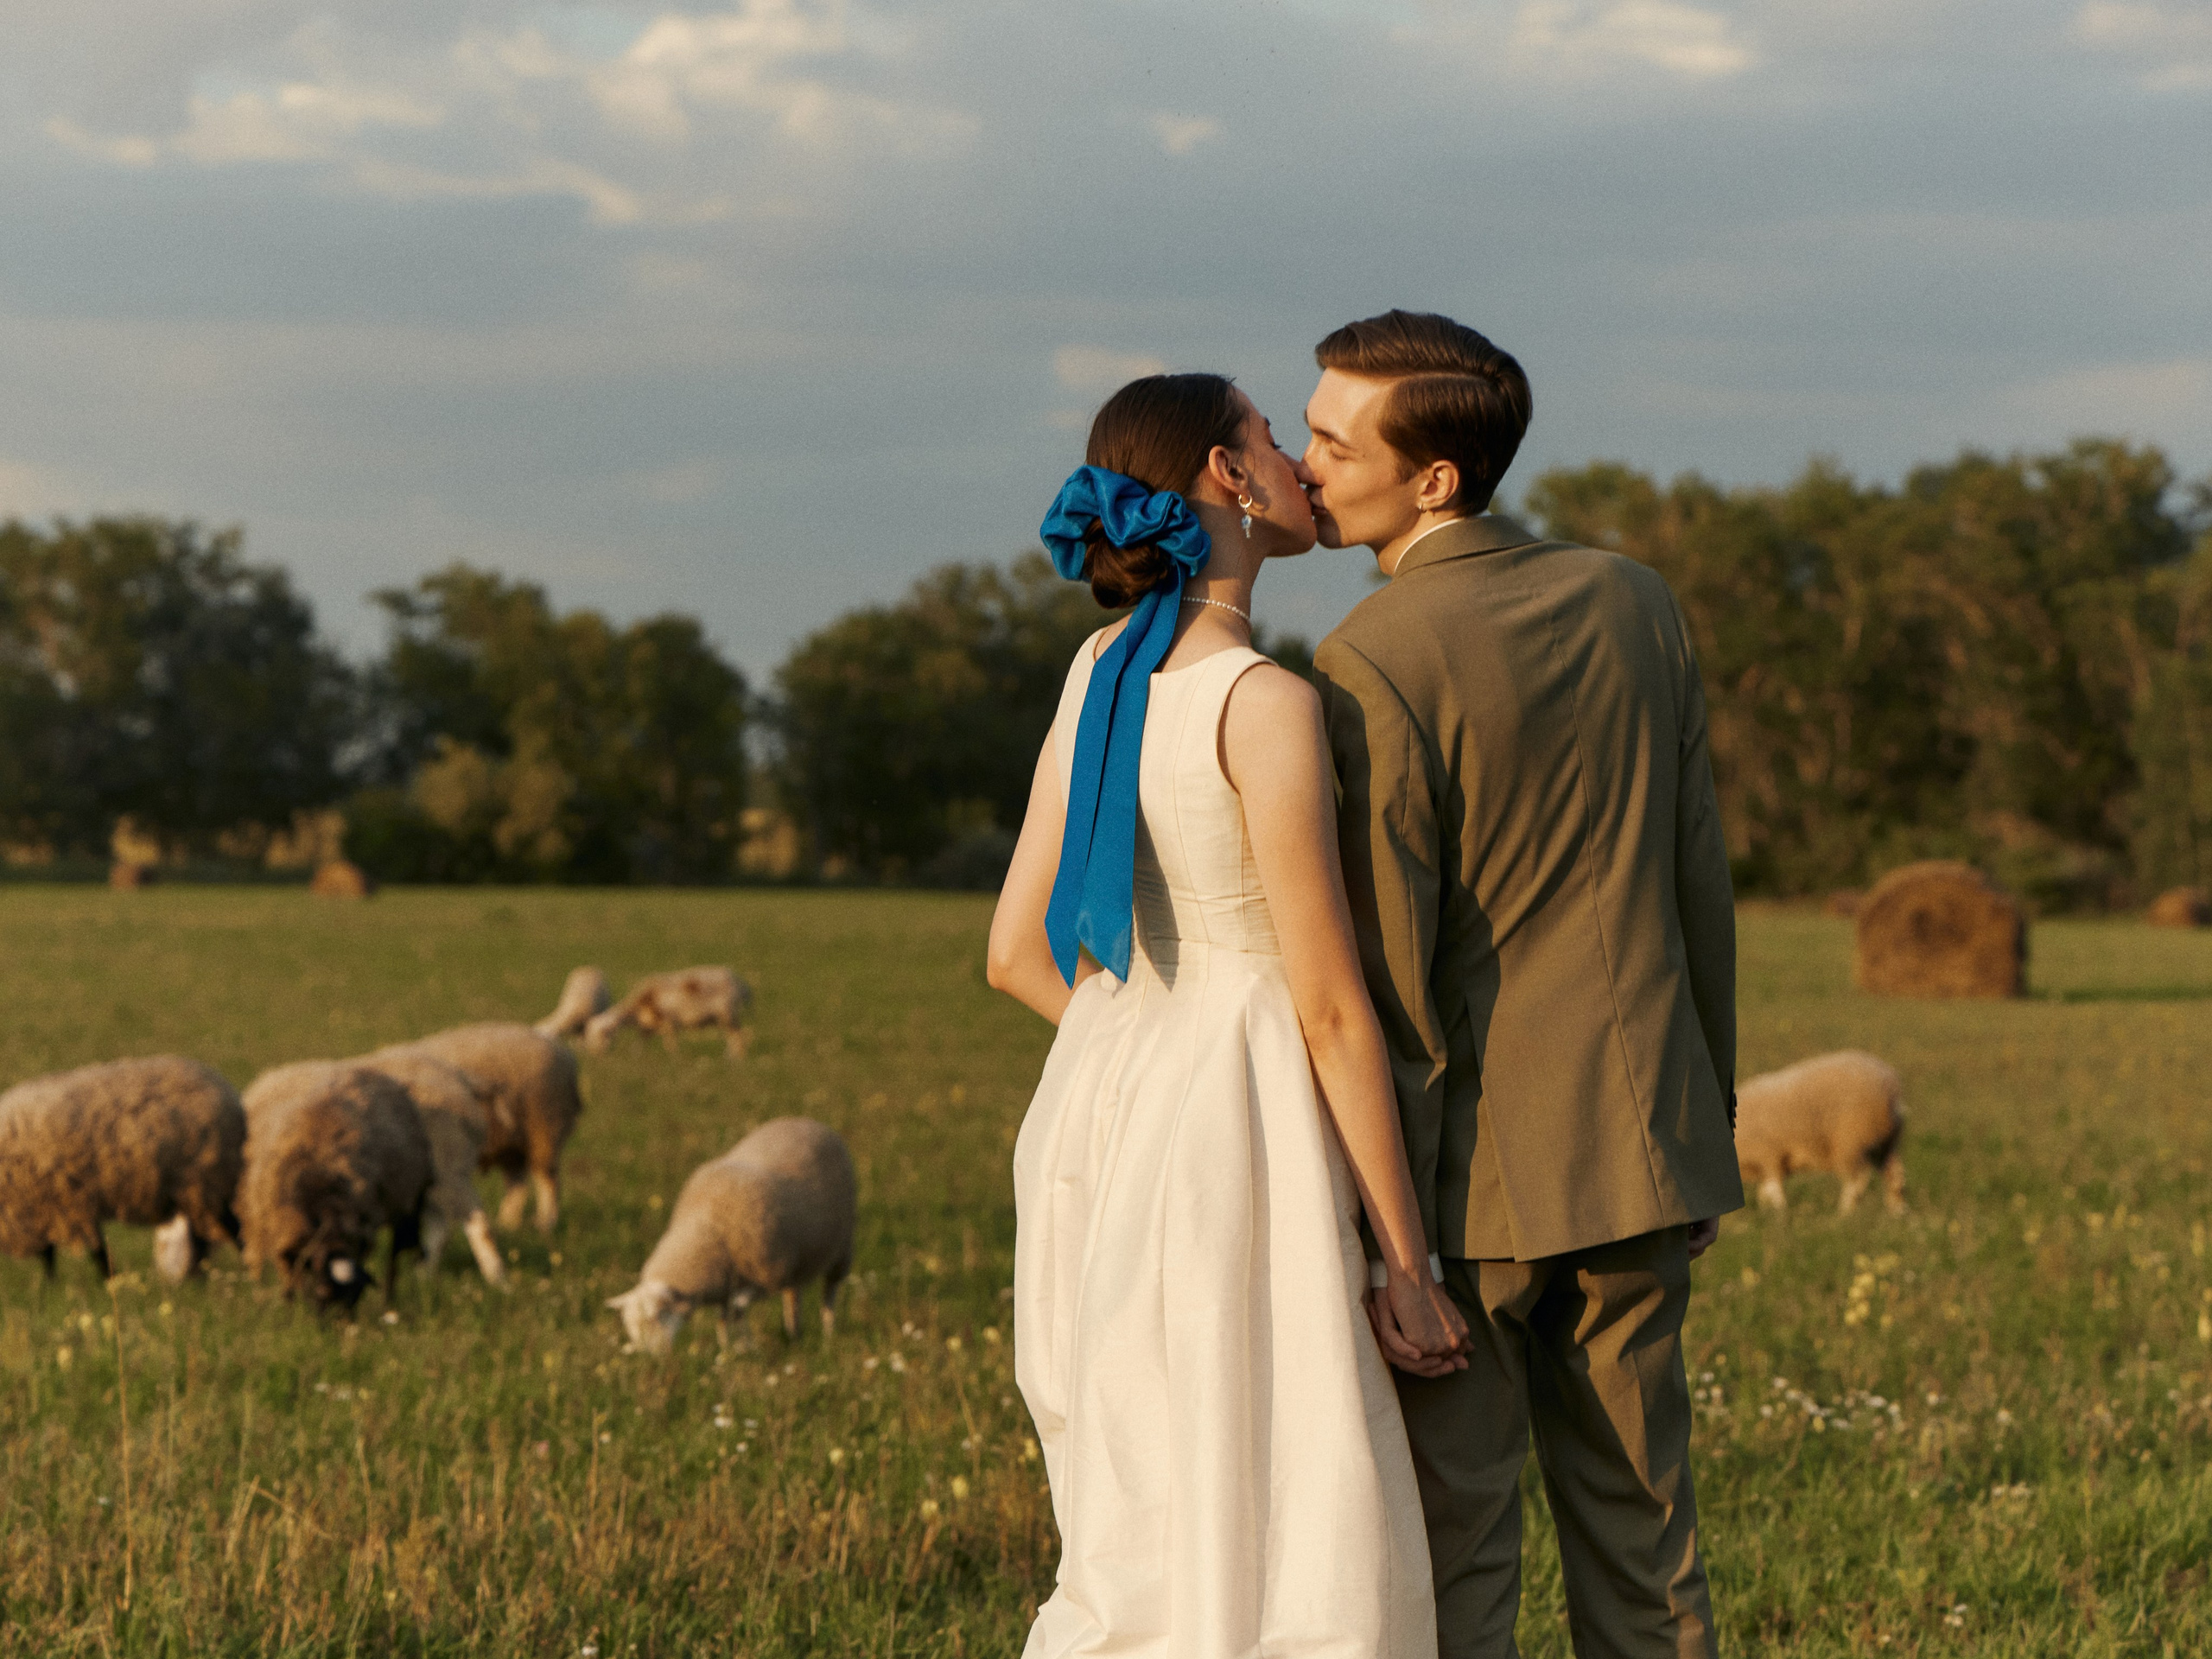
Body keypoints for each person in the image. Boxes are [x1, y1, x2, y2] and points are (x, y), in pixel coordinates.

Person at [988, 371, 1472, 1658]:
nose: (1301, 465)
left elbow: (1013, 952)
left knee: (1143, 1512)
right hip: (1233, 1141)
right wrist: (1408, 1272)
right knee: (1280, 1496)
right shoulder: (1267, 705)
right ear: (1229, 476)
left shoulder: (1098, 670)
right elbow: (1325, 1006)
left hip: (1096, 1127)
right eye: (1276, 438)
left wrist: (1139, 1053)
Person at [1303, 309, 1745, 1659]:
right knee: (1645, 1538)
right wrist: (1702, 1123)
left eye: (1331, 439)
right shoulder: (1638, 601)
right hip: (1644, 1147)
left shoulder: (1371, 658)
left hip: (1468, 1193)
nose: (1306, 462)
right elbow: (1697, 893)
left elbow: (1392, 983)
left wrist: (1396, 1248)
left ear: (1433, 478)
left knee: (1458, 1551)